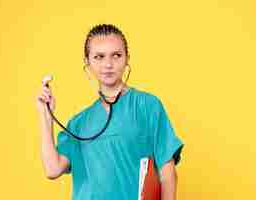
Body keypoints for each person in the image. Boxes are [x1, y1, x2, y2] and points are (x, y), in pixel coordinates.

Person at [36, 24, 184, 200]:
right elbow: (53, 170)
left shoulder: (147, 106)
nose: (108, 64)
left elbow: (167, 174)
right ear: (87, 62)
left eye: (116, 55)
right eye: (99, 57)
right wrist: (45, 116)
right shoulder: (78, 123)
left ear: (127, 58)